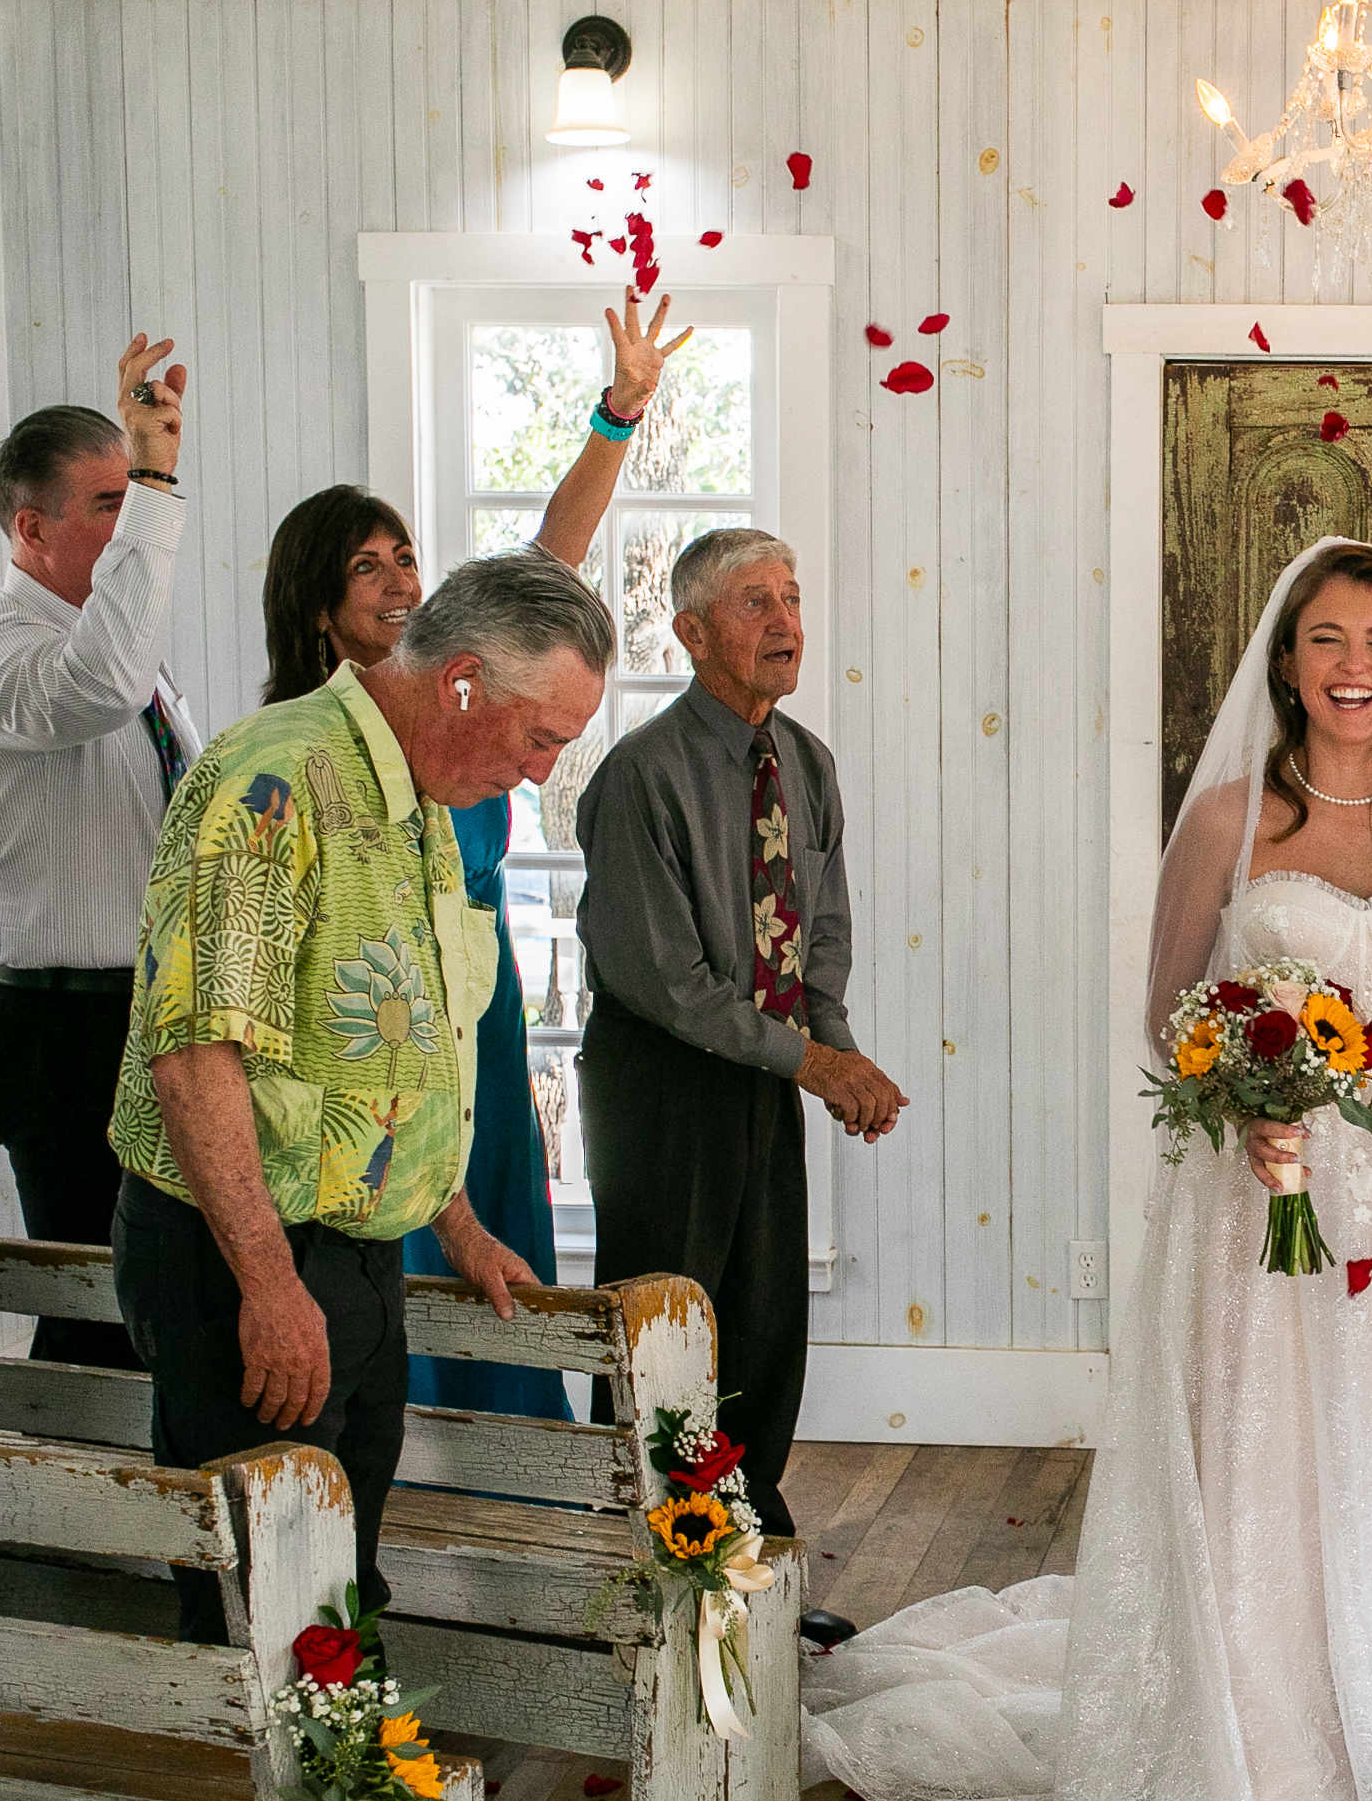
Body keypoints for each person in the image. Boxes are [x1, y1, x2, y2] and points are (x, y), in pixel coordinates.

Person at [794, 537, 1372, 1801]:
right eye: (1325, 639)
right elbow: (1168, 1008)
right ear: (1287, 662)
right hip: (1266, 1197)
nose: (1352, 666)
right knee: (1274, 1466)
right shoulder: (1234, 814)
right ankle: (1277, 1792)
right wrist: (1249, 1089)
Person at [107, 550, 601, 1648]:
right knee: (261, 1604)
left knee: (338, 1591)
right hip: (247, 1252)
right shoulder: (276, 776)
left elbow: (396, 1050)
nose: (537, 774)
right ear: (462, 682)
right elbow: (194, 1053)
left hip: (357, 1253)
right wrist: (269, 1283)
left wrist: (455, 1222)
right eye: (539, 738)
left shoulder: (419, 789)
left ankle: (345, 1767)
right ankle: (262, 1774)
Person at [262, 291, 689, 1420]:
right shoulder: (304, 752)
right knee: (392, 1238)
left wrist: (617, 416)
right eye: (367, 567)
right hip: (369, 1019)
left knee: (495, 1228)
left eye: (406, 557)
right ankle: (411, 1442)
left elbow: (556, 557)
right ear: (316, 605)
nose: (401, 581)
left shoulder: (476, 680)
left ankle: (520, 1453)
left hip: (477, 1003)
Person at [576, 527, 903, 1604]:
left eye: (791, 598)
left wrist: (836, 1053)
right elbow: (668, 983)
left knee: (763, 1321)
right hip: (662, 1085)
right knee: (667, 1320)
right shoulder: (641, 775)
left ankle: (745, 1561)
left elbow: (822, 934)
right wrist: (814, 1062)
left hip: (768, 1069)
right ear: (690, 630)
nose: (784, 621)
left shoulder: (805, 762)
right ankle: (645, 1567)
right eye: (754, 601)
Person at [0, 336, 192, 1368]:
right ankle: (71, 1474)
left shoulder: (118, 644)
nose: (129, 525)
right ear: (31, 528)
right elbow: (101, 687)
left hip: (141, 1016)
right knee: (98, 1316)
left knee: (159, 1300)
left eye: (131, 501)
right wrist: (161, 485)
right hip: (58, 1034)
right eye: (108, 505)